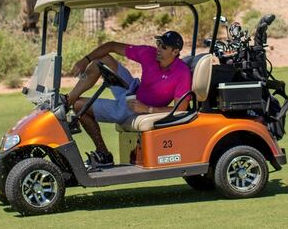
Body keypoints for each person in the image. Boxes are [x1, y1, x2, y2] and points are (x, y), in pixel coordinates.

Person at [65, 30, 192, 168]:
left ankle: (103, 154)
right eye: (158, 43)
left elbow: (180, 109)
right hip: (133, 91)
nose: (158, 49)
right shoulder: (149, 53)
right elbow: (111, 45)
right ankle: (67, 101)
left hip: (136, 108)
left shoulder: (182, 73)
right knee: (102, 60)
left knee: (79, 106)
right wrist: (85, 60)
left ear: (175, 51)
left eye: (164, 47)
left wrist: (147, 109)